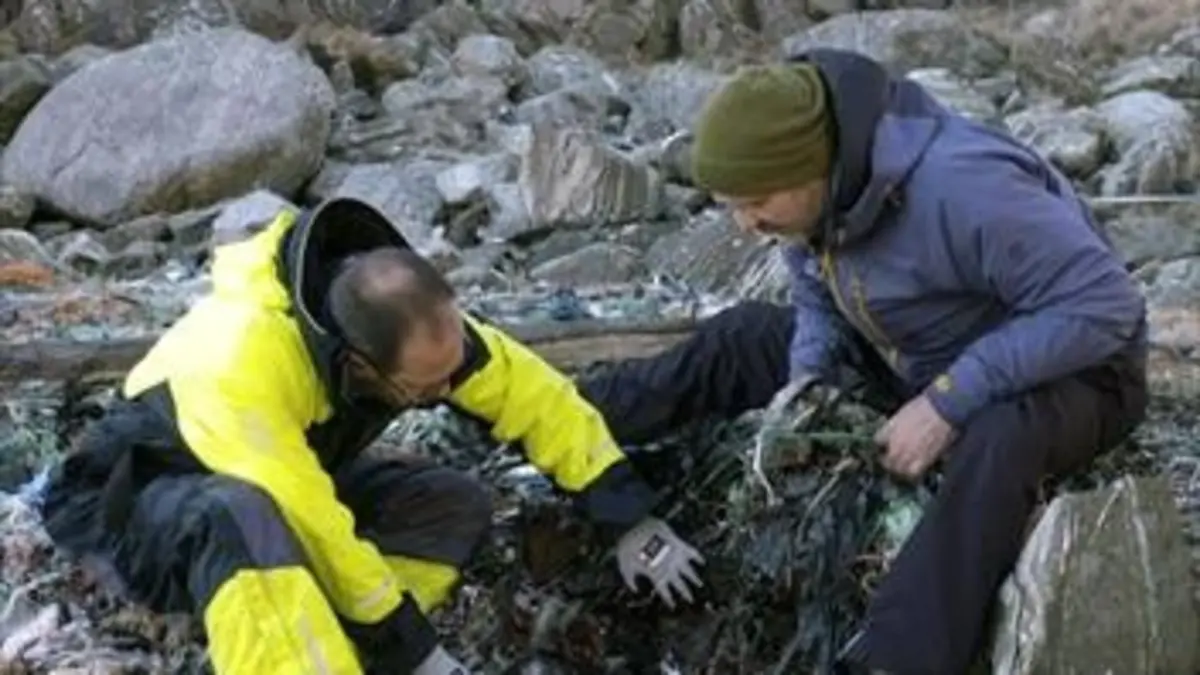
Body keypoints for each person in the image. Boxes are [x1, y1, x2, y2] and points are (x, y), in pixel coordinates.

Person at [36, 196, 709, 675]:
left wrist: (628, 516)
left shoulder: (406, 324)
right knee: (237, 515)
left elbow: (529, 392)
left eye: (451, 374)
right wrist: (417, 651)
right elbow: (311, 520)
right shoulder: (239, 361)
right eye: (425, 388)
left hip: (281, 492)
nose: (448, 392)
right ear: (357, 364)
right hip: (130, 508)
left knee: (455, 501)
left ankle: (338, 644)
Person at [685, 48, 1149, 674]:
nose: (743, 225)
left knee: (999, 434)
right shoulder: (826, 196)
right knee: (743, 333)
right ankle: (578, 429)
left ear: (809, 170)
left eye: (755, 202)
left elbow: (1104, 304)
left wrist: (945, 403)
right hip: (926, 363)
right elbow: (816, 297)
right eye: (729, 205)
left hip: (1083, 374)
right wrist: (808, 388)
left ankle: (895, 660)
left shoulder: (964, 185)